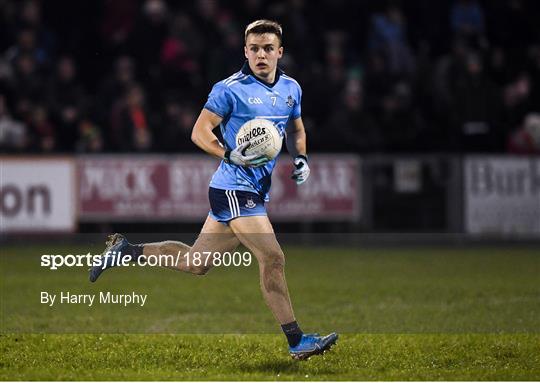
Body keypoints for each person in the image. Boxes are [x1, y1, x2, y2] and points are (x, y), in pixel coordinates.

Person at [89, 19, 338, 360]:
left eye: (268, 48)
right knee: (272, 257)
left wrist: (302, 158)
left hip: (245, 190)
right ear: (245, 51)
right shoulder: (229, 89)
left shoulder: (291, 89)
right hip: (234, 187)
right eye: (254, 48)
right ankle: (297, 341)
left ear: (280, 52)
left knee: (196, 263)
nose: (261, 55)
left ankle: (126, 250)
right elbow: (200, 131)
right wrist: (228, 152)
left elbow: (295, 130)